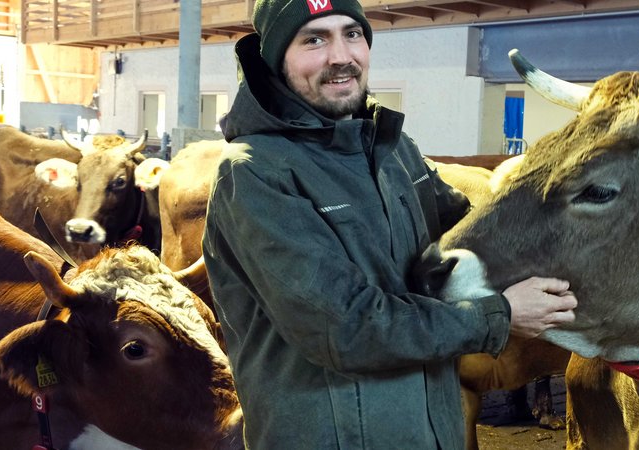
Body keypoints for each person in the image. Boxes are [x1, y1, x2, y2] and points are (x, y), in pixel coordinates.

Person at [201, 0, 578, 448]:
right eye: (314, 39)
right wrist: (502, 314)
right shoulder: (255, 174)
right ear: (275, 58)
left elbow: (472, 231)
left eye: (353, 34)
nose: (341, 56)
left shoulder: (393, 150)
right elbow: (349, 330)